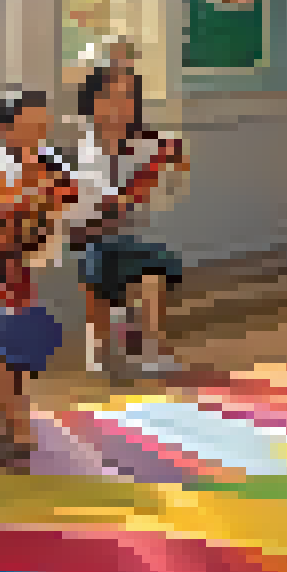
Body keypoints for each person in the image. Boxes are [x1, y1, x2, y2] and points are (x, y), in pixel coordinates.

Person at [0, 90, 76, 459]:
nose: (38, 133)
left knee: (16, 346)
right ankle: (10, 423)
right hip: (1, 271)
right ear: (4, 131)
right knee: (5, 344)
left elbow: (62, 214)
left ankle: (11, 422)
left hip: (37, 271)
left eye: (41, 125)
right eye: (28, 126)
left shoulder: (54, 169)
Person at [72, 62, 189, 376]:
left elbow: (173, 179)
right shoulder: (85, 146)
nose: (119, 105)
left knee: (154, 265)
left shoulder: (145, 142)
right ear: (92, 101)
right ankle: (101, 345)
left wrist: (171, 164)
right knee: (96, 257)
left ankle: (151, 346)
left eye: (127, 97)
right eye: (110, 96)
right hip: (89, 237)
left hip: (132, 236)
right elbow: (91, 205)